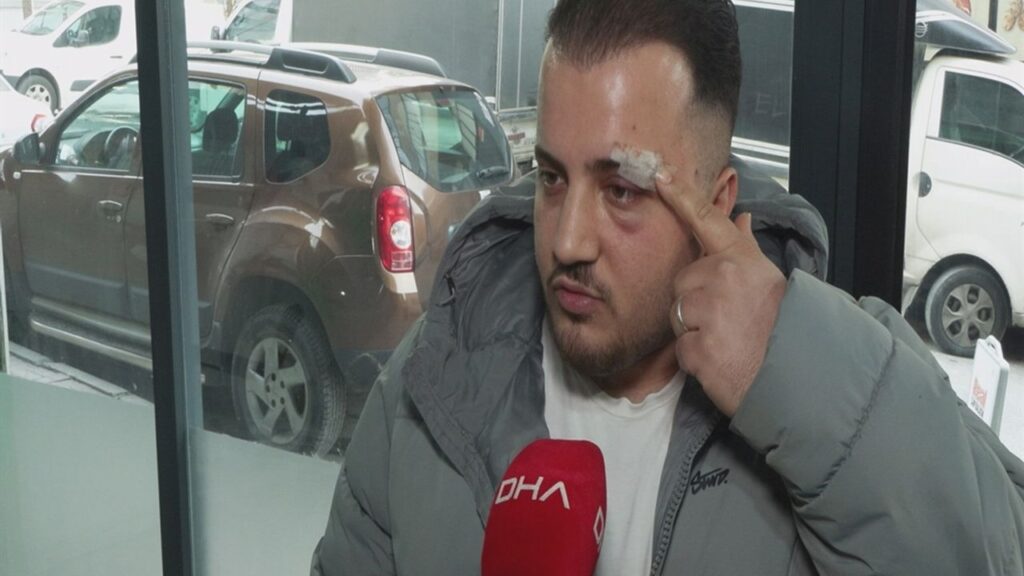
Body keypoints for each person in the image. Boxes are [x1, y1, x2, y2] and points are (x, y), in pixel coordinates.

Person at [311, 0, 1024, 574]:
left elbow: (988, 554)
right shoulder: (430, 379)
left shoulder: (845, 381)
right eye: (552, 178)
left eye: (622, 190)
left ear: (717, 201)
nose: (567, 241)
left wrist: (791, 370)